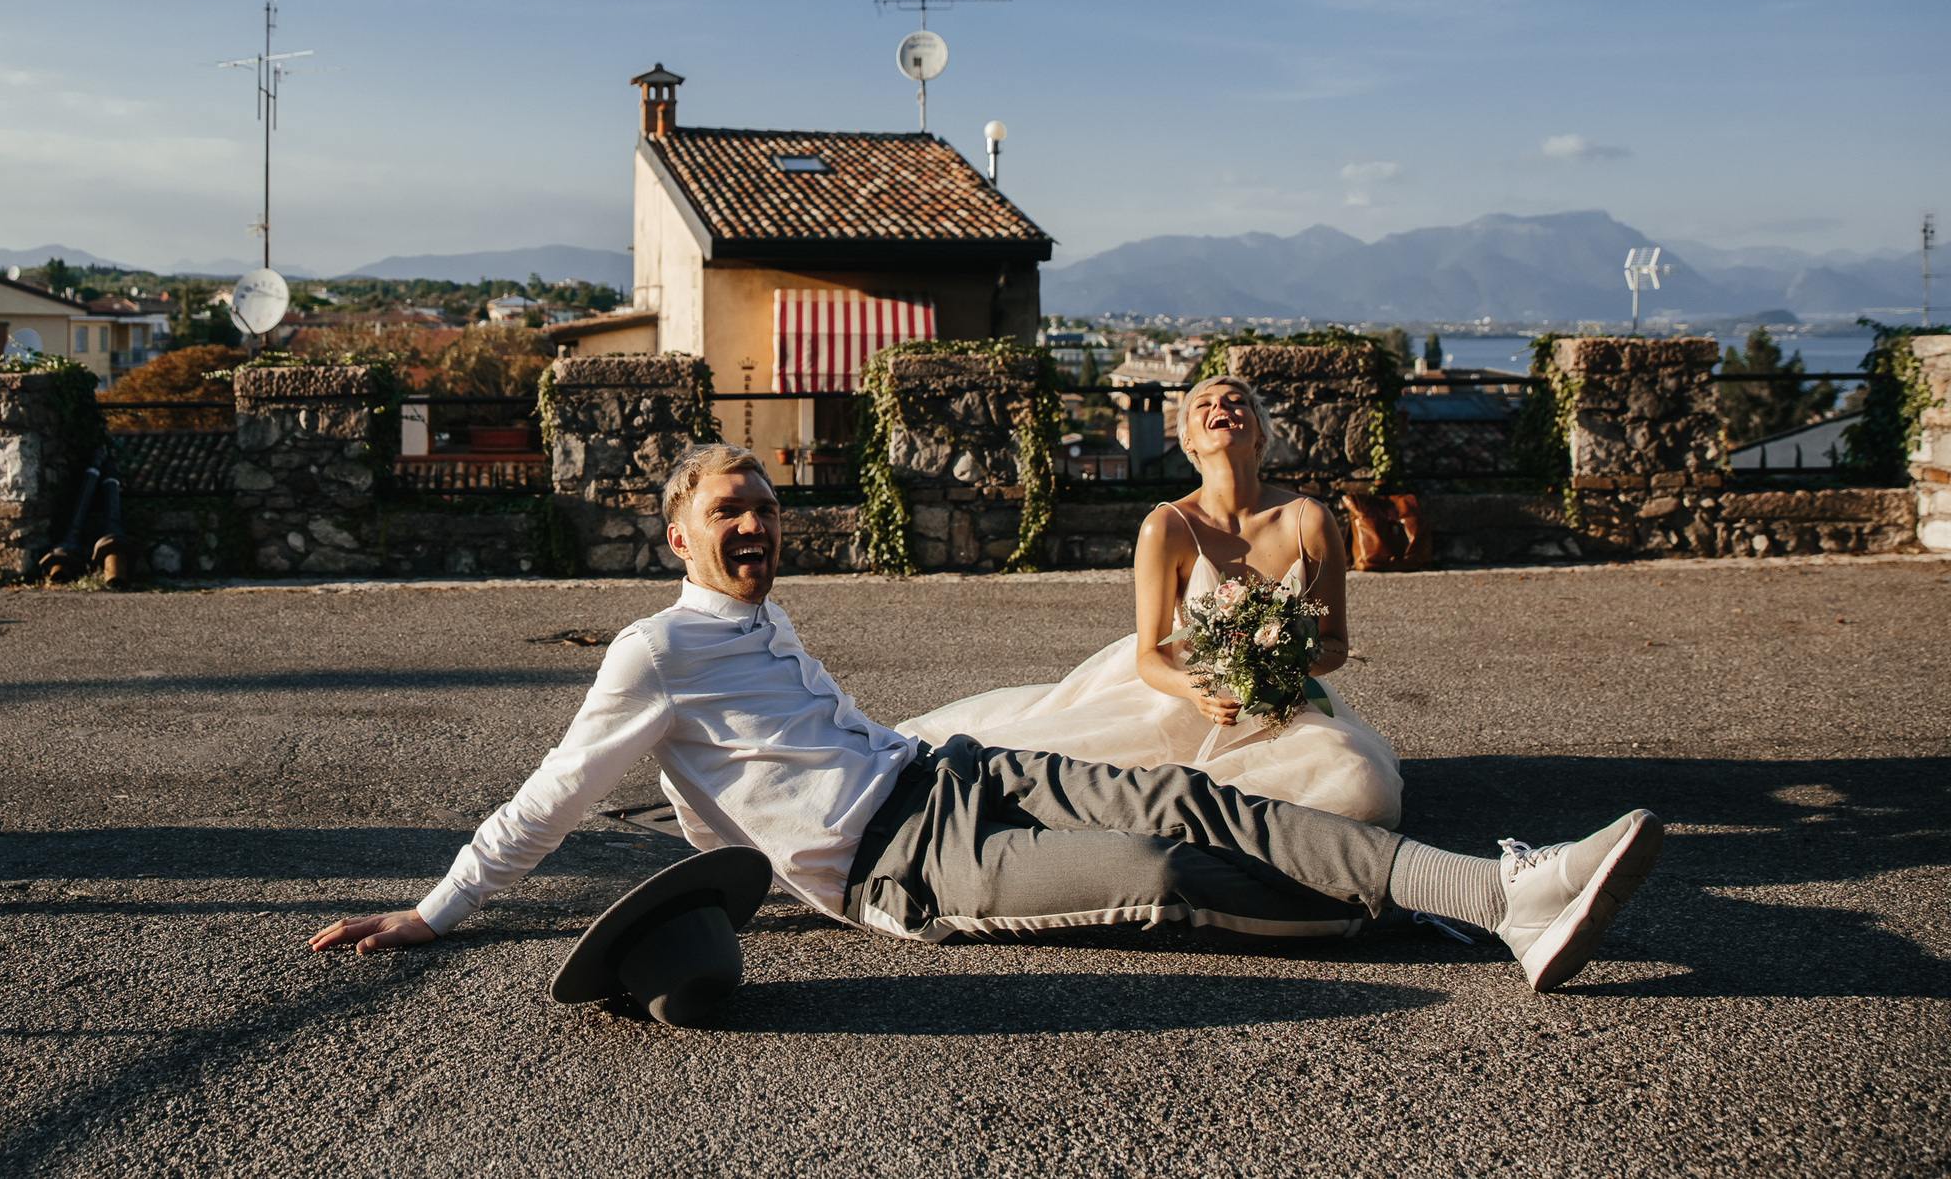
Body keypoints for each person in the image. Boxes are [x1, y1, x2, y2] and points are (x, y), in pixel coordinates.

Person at [309, 442, 1660, 993]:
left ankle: (1505, 891)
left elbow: (805, 745)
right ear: (678, 533)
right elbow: (553, 790)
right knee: (1156, 873)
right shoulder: (653, 652)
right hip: (908, 865)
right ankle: (1445, 910)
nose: (756, 521)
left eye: (766, 504)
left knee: (1198, 796)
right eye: (729, 509)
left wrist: (904, 769)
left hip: (949, 770)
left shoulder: (765, 619)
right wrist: (436, 908)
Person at [899, 374, 1403, 825]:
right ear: (1188, 441)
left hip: (1282, 703)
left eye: (1237, 402)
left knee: (1362, 788)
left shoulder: (1308, 520)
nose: (1221, 407)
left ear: (1260, 433)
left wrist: (1282, 667)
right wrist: (1196, 689)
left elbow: (1334, 645)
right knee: (1058, 766)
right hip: (1180, 699)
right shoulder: (1166, 527)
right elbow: (1150, 655)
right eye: (1204, 404)